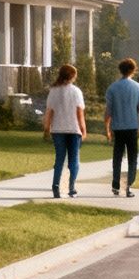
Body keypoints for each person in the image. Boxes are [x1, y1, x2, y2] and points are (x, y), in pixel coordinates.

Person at [105, 57, 139, 198]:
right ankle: (128, 186)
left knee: (117, 157)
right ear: (133, 70)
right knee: (132, 158)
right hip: (131, 127)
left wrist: (107, 128)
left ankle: (116, 184)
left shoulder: (112, 88)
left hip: (117, 127)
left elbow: (108, 111)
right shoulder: (137, 88)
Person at [43, 63, 87, 198]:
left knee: (59, 159)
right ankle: (71, 186)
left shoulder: (53, 91)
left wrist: (47, 128)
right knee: (74, 160)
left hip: (58, 130)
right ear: (73, 76)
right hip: (74, 130)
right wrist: (83, 129)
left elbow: (49, 112)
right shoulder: (76, 92)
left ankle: (56, 185)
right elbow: (80, 113)